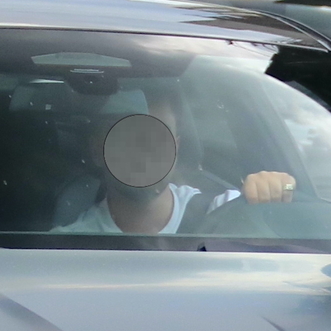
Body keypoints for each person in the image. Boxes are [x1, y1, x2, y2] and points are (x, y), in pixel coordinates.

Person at [55, 89, 295, 235]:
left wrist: (280, 188)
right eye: (128, 137)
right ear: (98, 150)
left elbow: (295, 207)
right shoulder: (64, 247)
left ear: (176, 147)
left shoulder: (225, 211)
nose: (145, 150)